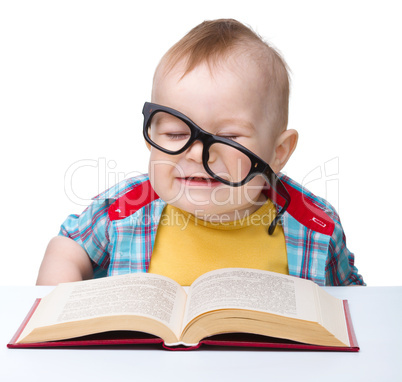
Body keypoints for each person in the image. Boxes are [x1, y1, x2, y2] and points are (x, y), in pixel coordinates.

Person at [36, 19, 364, 287]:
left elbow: (353, 306)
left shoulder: (315, 226)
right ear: (152, 137)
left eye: (227, 137)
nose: (195, 153)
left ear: (278, 152)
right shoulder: (125, 209)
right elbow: (66, 247)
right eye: (176, 133)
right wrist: (61, 308)